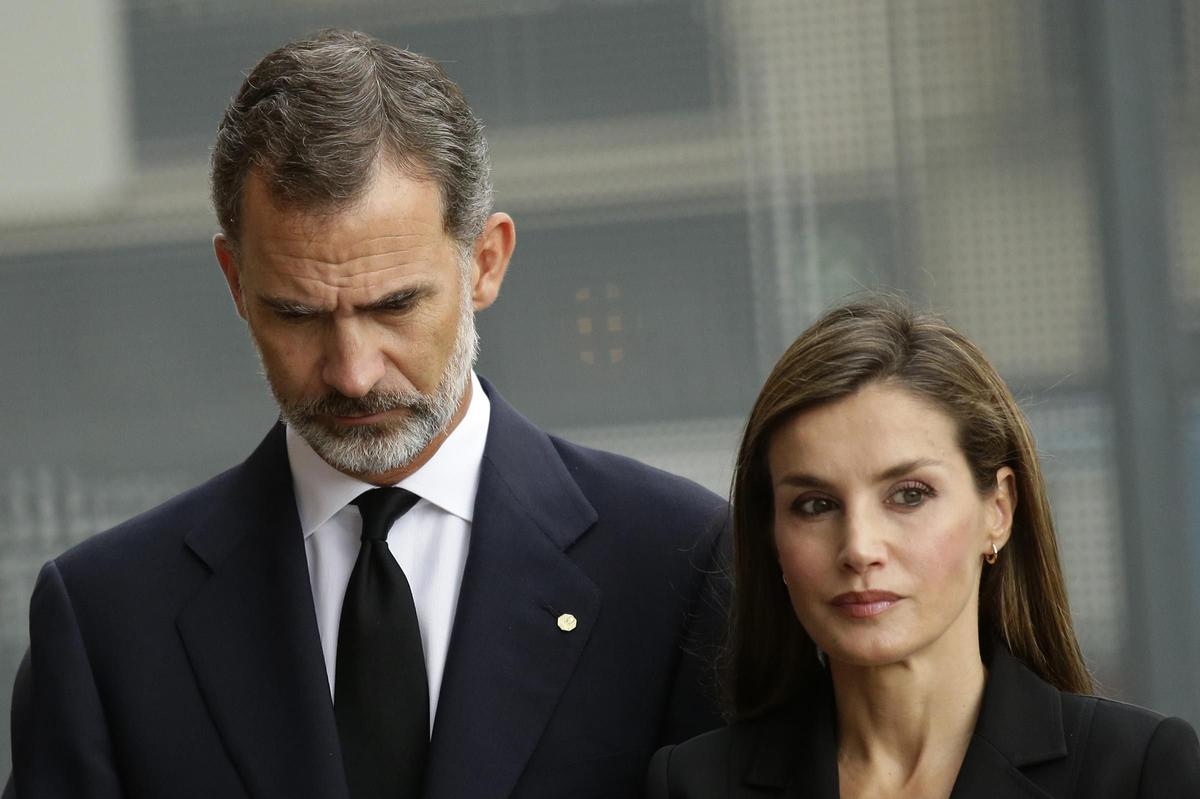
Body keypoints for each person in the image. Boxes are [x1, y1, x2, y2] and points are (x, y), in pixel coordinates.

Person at [4, 30, 727, 799]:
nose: (352, 372)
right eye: (297, 313)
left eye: (395, 306)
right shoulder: (108, 619)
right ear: (234, 282)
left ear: (485, 262)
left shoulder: (679, 564)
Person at [646, 298, 1200, 798]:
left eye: (909, 495)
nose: (860, 548)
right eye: (815, 505)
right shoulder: (695, 785)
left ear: (999, 510)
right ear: (770, 536)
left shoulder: (1138, 772)